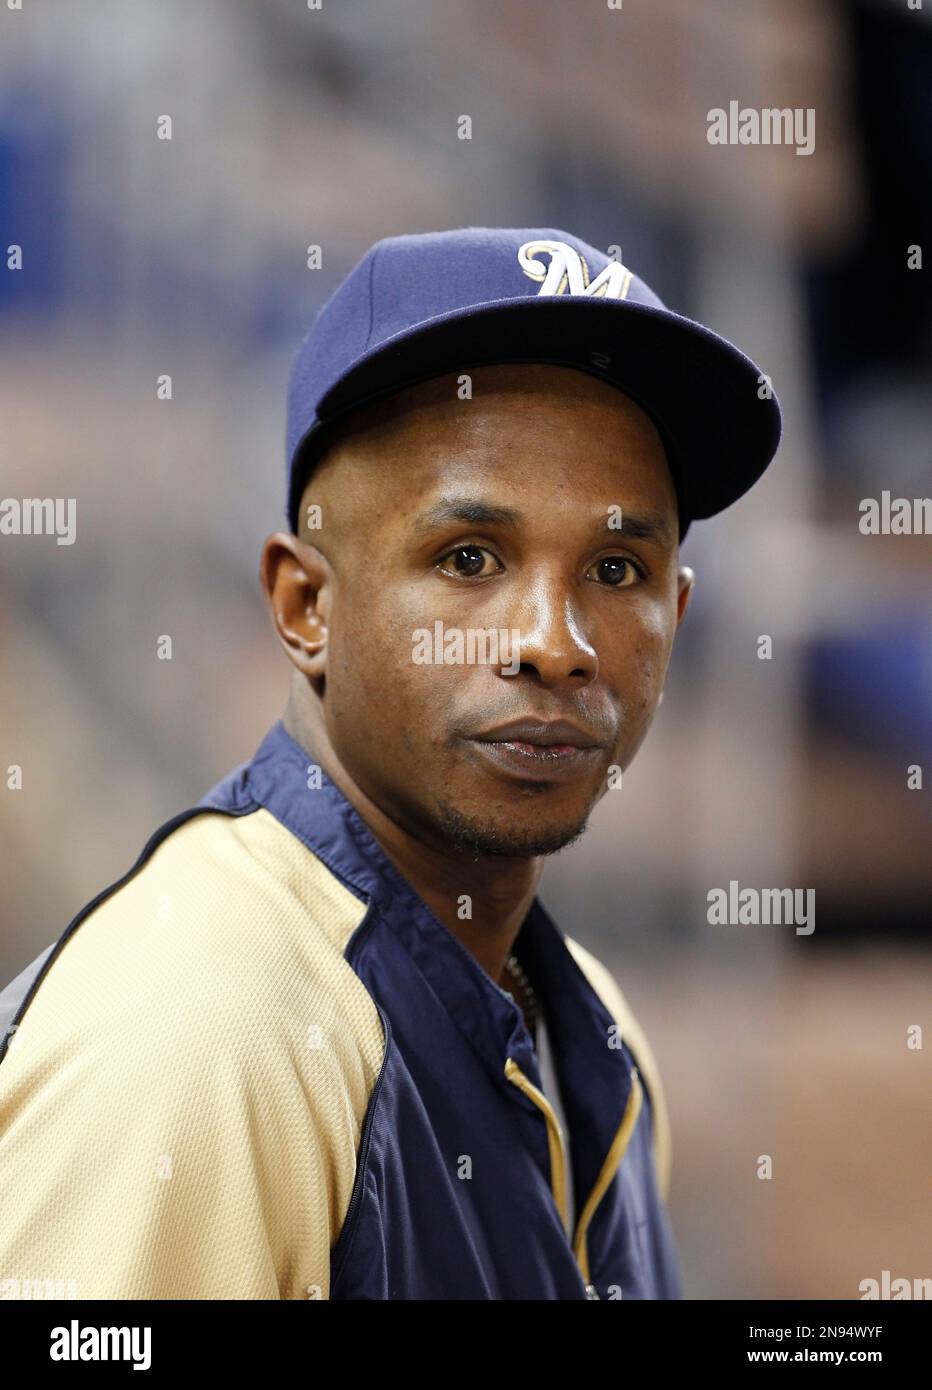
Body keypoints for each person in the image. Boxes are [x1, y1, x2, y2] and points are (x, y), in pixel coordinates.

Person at [0, 227, 781, 1300]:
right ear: (305, 605)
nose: (555, 642)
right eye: (468, 558)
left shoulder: (591, 1026)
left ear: (675, 613)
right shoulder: (204, 1036)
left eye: (614, 566)